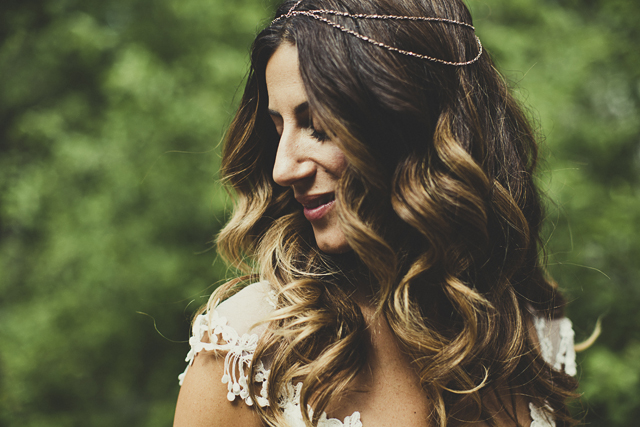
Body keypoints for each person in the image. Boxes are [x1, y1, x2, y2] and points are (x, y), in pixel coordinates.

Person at [173, 0, 579, 426]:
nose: (283, 169)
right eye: (278, 129)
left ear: (411, 128)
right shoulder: (246, 349)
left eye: (319, 127)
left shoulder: (527, 329)